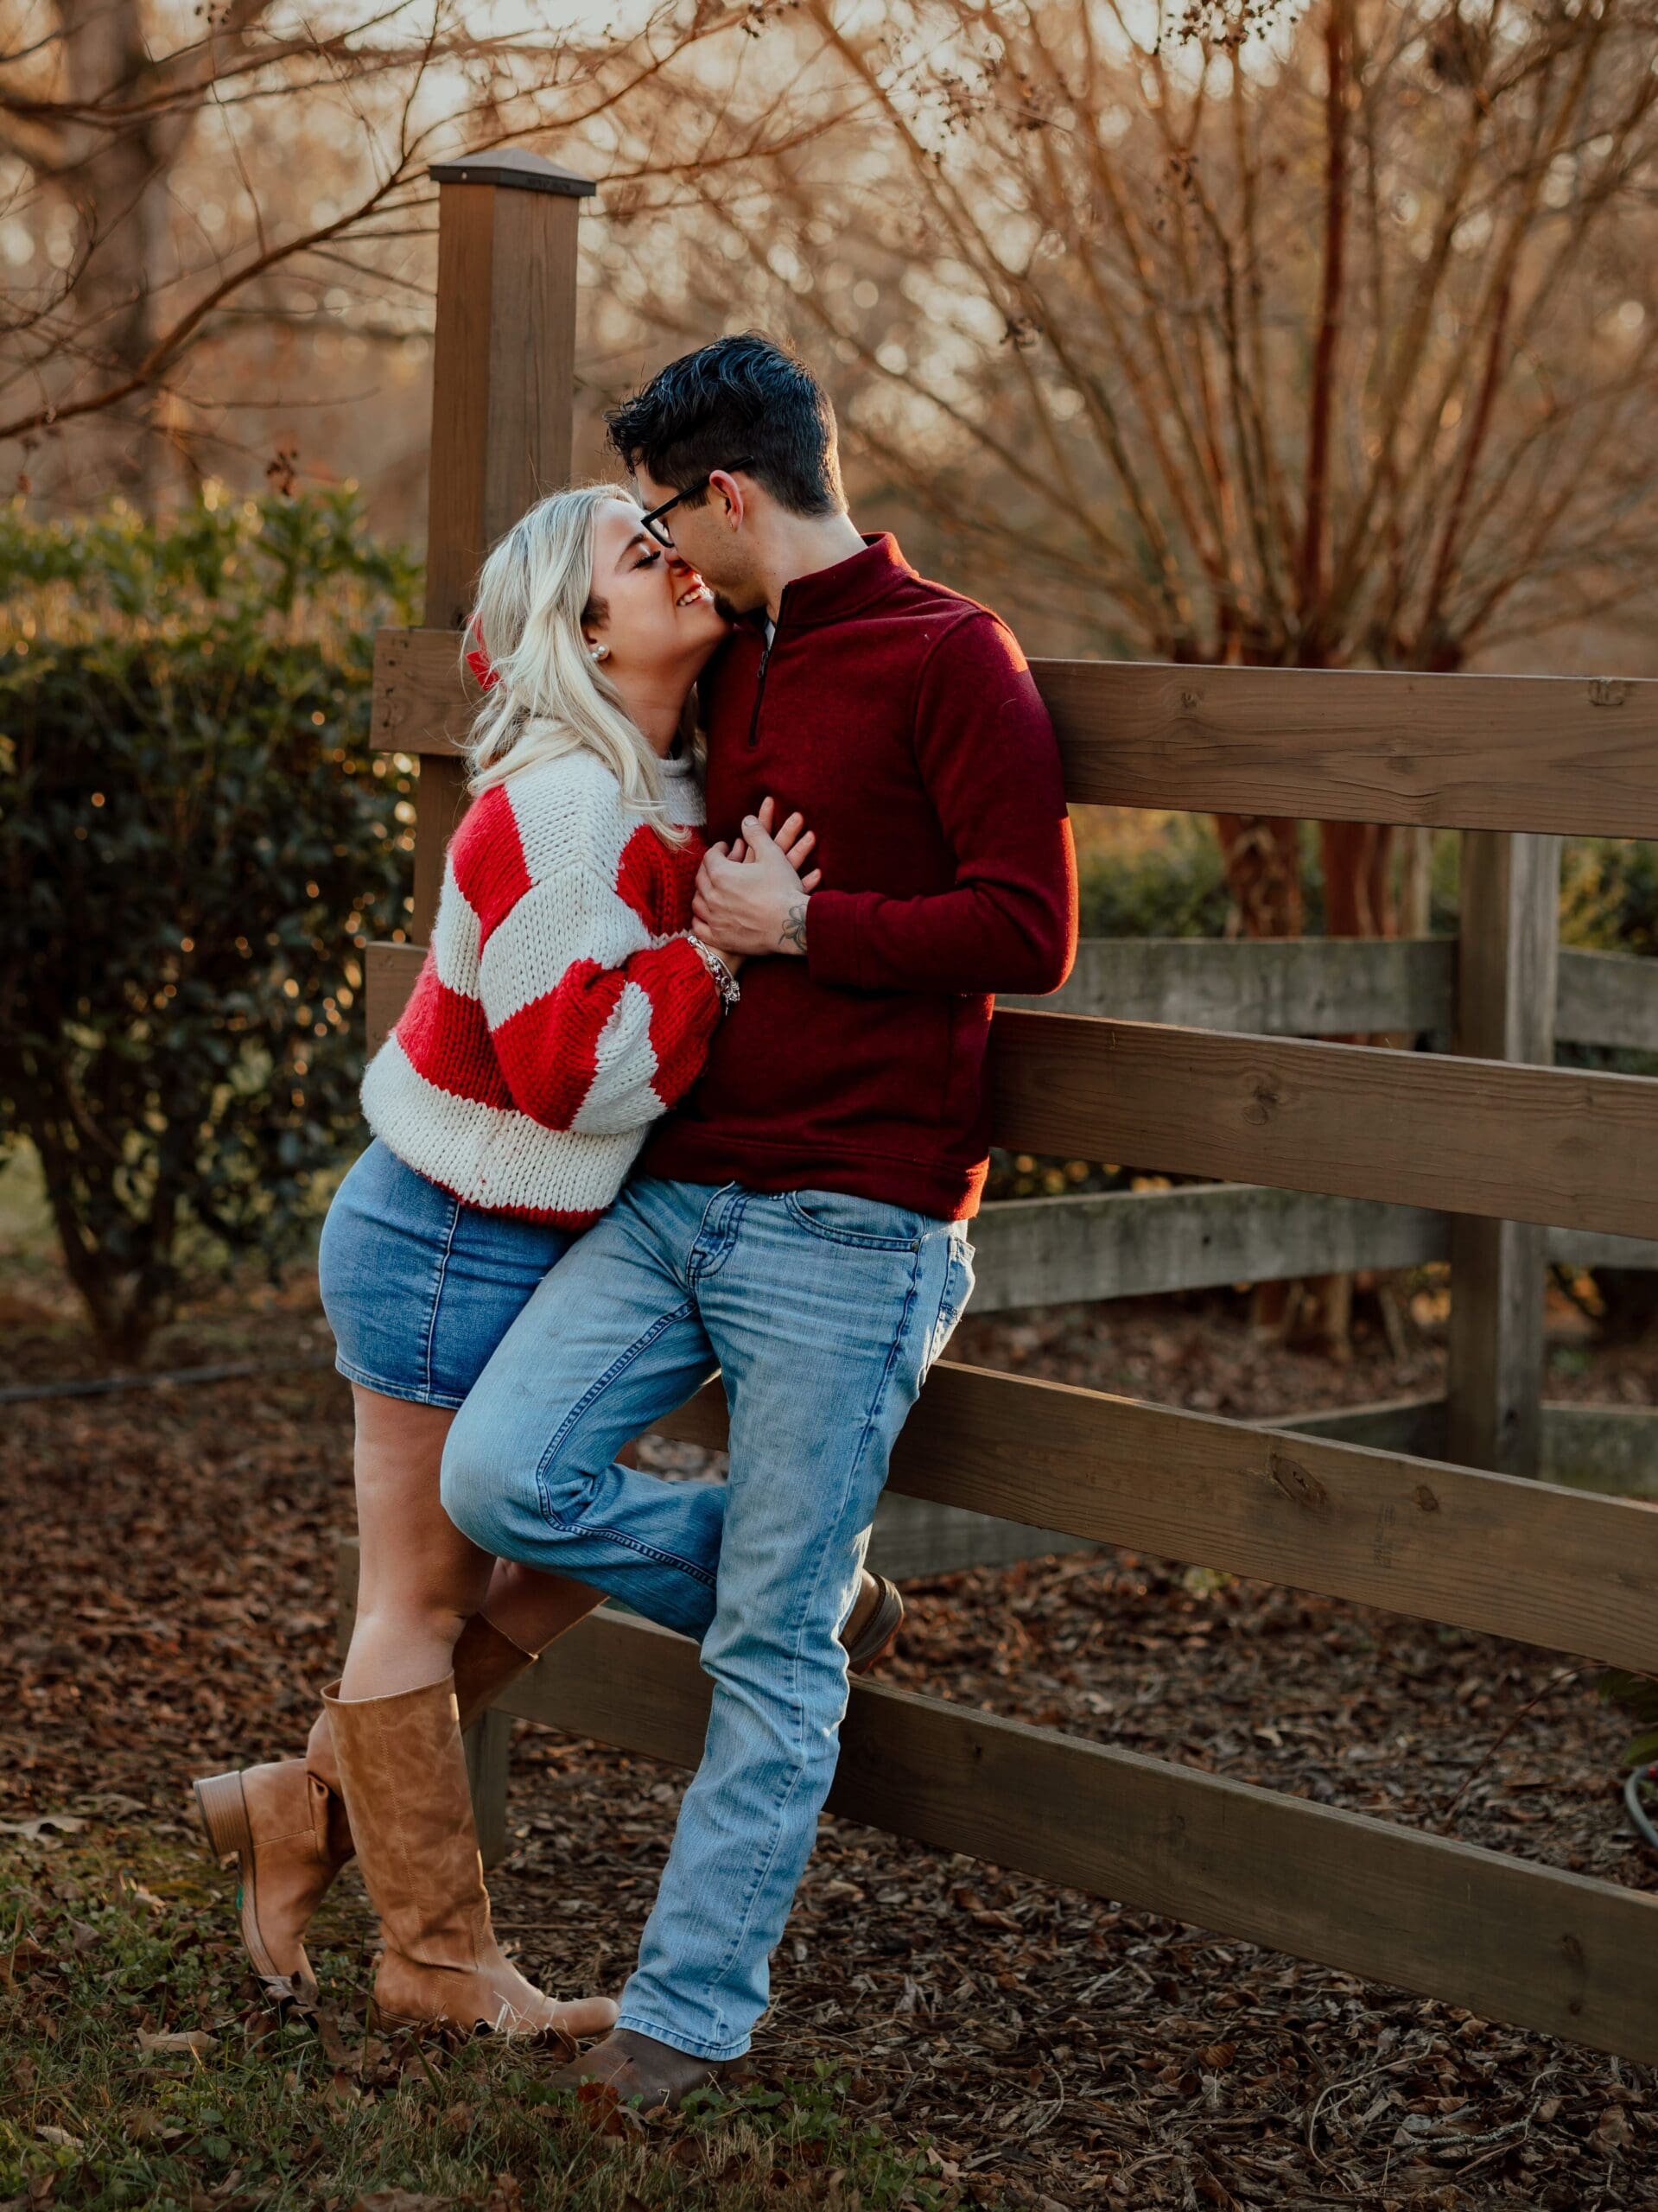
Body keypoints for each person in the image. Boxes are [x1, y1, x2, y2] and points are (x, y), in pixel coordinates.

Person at [438, 334, 1078, 2106]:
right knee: (499, 1478)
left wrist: (813, 930)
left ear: (729, 493)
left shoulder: (956, 655)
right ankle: (794, 1587)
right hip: (676, 1198)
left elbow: (1027, 927)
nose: (656, 551)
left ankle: (682, 2024)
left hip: (850, 1227)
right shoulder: (732, 659)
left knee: (766, 1654)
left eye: (661, 514)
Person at [191, 482, 867, 2040]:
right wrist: (714, 953)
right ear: (585, 627)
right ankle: (432, 1960)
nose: (683, 562)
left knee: (536, 1542)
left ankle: (299, 1814)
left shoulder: (664, 776)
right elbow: (571, 1071)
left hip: (522, 1230)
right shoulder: (563, 804)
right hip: (443, 1233)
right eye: (647, 557)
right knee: (423, 1597)